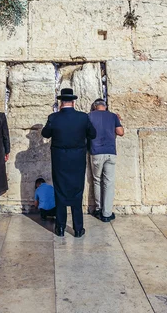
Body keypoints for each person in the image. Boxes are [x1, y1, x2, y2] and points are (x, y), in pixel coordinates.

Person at [41, 88, 96, 237]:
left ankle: (60, 228)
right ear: (73, 102)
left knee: (60, 190)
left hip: (59, 159)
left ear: (61, 102)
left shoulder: (54, 117)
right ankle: (78, 229)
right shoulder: (83, 117)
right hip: (77, 158)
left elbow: (45, 133)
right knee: (77, 190)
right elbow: (93, 134)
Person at [88, 98, 124, 223]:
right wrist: (118, 121)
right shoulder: (113, 116)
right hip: (110, 152)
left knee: (97, 180)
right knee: (109, 183)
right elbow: (120, 132)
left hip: (96, 152)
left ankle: (98, 208)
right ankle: (107, 213)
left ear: (94, 107)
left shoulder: (90, 116)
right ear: (105, 106)